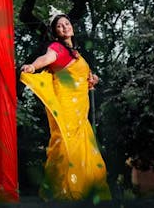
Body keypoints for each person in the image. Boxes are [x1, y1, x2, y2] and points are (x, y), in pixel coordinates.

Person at [20, 13, 111, 201]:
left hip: (80, 112)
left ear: (72, 27)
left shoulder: (77, 54)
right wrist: (32, 67)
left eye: (67, 23)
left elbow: (82, 79)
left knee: (84, 148)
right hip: (66, 108)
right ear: (56, 32)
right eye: (59, 26)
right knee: (65, 145)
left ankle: (84, 191)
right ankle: (63, 193)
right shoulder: (57, 48)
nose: (64, 27)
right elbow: (45, 59)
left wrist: (93, 80)